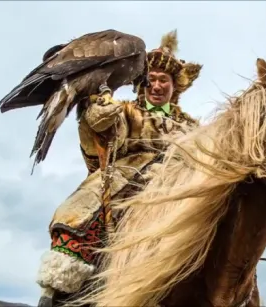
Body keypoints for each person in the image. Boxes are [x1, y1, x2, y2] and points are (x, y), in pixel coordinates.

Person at [36, 29, 202, 307]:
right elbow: (97, 148)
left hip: (177, 185)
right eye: (153, 80)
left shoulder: (193, 127)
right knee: (75, 213)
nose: (157, 86)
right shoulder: (123, 110)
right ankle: (58, 289)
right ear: (142, 84)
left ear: (175, 87)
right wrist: (96, 120)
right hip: (123, 178)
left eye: (164, 80)